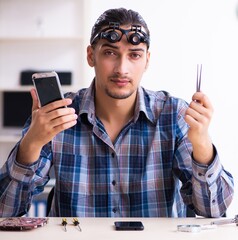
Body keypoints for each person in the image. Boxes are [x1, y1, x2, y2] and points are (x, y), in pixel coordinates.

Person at [0, 8, 234, 218]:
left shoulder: (174, 115)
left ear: (147, 60)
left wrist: (202, 144)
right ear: (91, 55)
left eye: (134, 55)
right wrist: (31, 143)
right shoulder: (59, 115)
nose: (122, 68)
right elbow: (5, 211)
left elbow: (214, 210)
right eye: (110, 53)